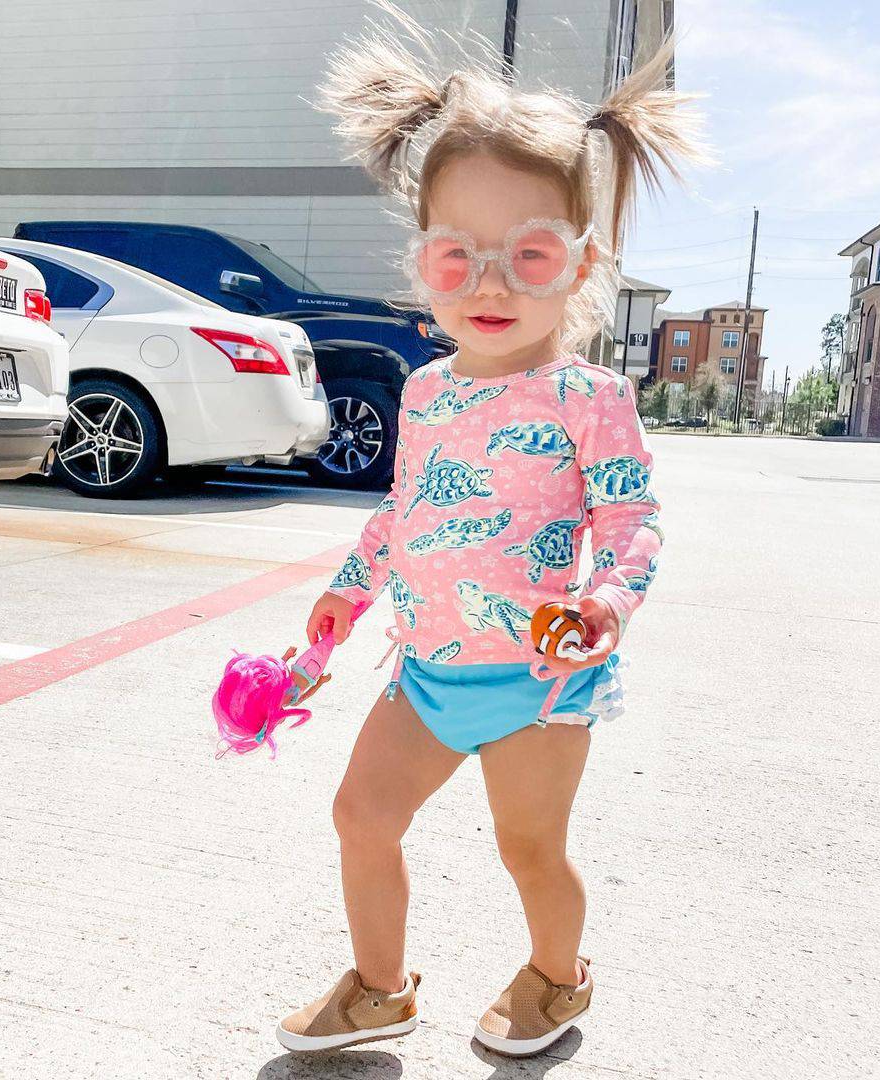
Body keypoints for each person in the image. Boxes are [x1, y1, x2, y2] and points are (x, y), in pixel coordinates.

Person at [275, 3, 712, 1058]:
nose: (489, 283)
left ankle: (558, 978)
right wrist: (349, 588)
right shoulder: (425, 392)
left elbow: (633, 521)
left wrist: (605, 603)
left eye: (526, 252)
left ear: (580, 259)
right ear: (422, 262)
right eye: (454, 256)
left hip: (540, 682)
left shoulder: (586, 394)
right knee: (360, 818)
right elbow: (402, 512)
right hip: (426, 669)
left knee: (531, 852)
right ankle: (380, 988)